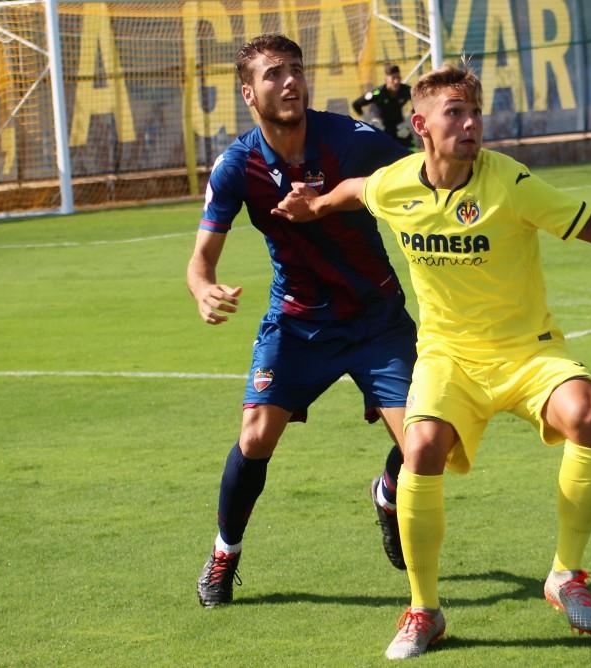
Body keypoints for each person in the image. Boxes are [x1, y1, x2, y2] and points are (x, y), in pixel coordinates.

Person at [273, 62, 591, 660]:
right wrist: (314, 206)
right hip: (449, 359)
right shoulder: (396, 184)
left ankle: (565, 575)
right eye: (455, 114)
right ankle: (424, 611)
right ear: (420, 124)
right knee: (419, 450)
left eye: (475, 115)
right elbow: (355, 192)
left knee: (590, 411)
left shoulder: (510, 183)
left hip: (527, 352)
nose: (470, 125)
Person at [187, 33, 417, 608]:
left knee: (424, 445)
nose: (289, 81)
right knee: (255, 436)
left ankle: (389, 494)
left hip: (375, 319)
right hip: (298, 322)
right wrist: (202, 288)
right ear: (249, 93)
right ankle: (224, 554)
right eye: (273, 74)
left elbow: (422, 173)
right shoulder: (238, 165)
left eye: (296, 69)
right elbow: (200, 262)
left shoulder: (350, 138)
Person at [352, 63, 413, 148]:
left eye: (398, 78)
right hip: (381, 127)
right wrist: (369, 121)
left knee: (409, 147)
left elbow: (419, 103)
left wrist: (407, 122)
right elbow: (356, 104)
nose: (396, 81)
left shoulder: (406, 90)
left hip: (399, 127)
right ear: (386, 80)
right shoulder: (378, 93)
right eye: (393, 78)